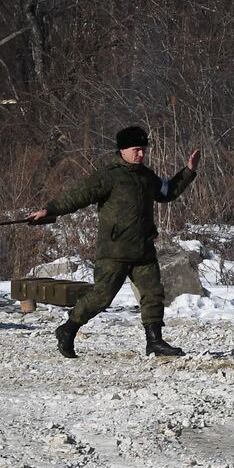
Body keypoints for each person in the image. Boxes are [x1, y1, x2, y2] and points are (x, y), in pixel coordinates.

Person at [29, 126, 201, 359]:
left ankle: (155, 341)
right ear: (123, 150)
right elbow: (76, 196)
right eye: (136, 150)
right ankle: (68, 329)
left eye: (143, 150)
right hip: (114, 251)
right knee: (101, 297)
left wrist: (188, 171)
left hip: (143, 250)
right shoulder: (108, 176)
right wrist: (49, 210)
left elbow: (167, 192)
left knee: (153, 294)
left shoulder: (146, 176)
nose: (141, 155)